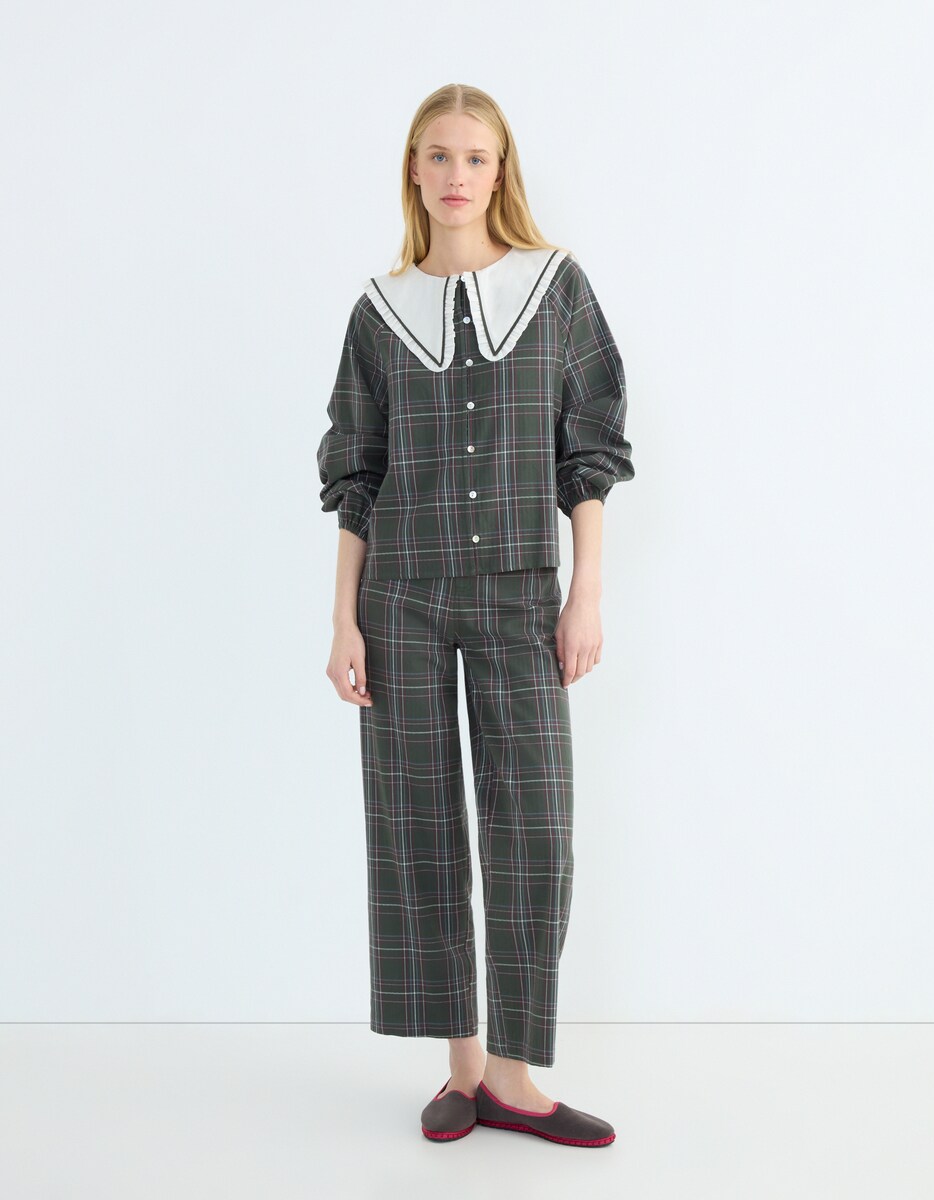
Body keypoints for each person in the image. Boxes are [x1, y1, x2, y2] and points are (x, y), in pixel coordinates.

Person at [316, 83, 634, 1147]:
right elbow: (357, 476)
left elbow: (588, 449)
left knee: (534, 827)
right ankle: (460, 1071)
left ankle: (515, 1077)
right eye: (438, 155)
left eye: (476, 158)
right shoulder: (378, 310)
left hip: (518, 596)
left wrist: (586, 590)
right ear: (413, 170)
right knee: (416, 824)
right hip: (399, 596)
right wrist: (343, 621)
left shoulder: (554, 288)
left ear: (502, 174)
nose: (457, 175)